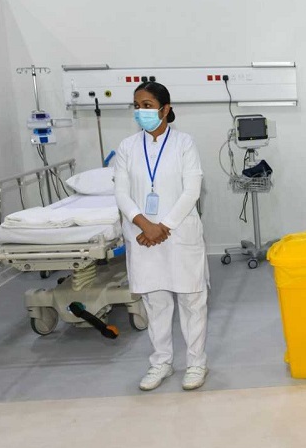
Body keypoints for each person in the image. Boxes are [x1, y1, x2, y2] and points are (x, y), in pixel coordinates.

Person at [115, 81, 210, 392]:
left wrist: (163, 226)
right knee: (155, 302)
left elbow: (191, 190)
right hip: (143, 235)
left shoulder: (184, 143)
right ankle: (161, 362)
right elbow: (121, 193)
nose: (140, 111)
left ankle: (196, 363)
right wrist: (145, 224)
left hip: (178, 232)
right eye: (136, 106)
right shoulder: (127, 147)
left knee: (191, 301)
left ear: (165, 109)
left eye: (147, 105)